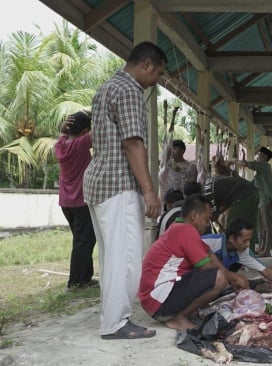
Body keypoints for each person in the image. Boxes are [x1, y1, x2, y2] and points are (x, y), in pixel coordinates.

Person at [83, 41, 165, 340]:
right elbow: (133, 142)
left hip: (99, 182)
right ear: (146, 64)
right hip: (119, 185)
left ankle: (112, 319)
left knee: (111, 258)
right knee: (126, 257)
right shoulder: (130, 90)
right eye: (157, 73)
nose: (156, 80)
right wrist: (149, 190)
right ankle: (117, 323)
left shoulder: (107, 87)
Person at [138, 195, 247, 332]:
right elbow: (207, 267)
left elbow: (208, 253)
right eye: (206, 219)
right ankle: (179, 318)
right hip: (158, 300)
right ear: (194, 215)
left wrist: (233, 278)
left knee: (218, 275)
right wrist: (233, 277)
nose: (207, 225)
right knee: (219, 278)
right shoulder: (186, 230)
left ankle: (184, 313)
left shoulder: (179, 229)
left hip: (154, 300)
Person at [55, 111, 97, 289]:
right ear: (85, 130)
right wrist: (98, 111)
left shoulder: (60, 145)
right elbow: (97, 133)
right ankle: (76, 281)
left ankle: (85, 277)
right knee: (83, 241)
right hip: (80, 202)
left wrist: (63, 130)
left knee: (83, 239)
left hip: (66, 203)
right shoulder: (80, 144)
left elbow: (63, 135)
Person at [207, 218, 272, 291]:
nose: (248, 244)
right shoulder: (210, 242)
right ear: (232, 239)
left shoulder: (243, 251)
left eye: (249, 240)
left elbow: (265, 270)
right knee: (222, 279)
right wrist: (233, 277)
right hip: (194, 277)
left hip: (210, 277)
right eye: (245, 241)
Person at [236, 147, 272, 257]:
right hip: (261, 200)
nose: (258, 157)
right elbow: (251, 184)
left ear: (265, 157)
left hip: (266, 199)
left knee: (267, 226)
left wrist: (234, 162)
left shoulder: (265, 166)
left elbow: (248, 164)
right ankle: (262, 247)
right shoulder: (259, 174)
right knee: (261, 226)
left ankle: (267, 250)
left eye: (260, 155)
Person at [203, 170, 259, 245]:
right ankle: (249, 254)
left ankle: (236, 254)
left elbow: (213, 216)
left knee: (234, 227)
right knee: (248, 226)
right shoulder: (208, 183)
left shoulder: (207, 196)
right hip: (253, 192)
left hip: (242, 196)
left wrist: (220, 226)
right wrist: (220, 226)